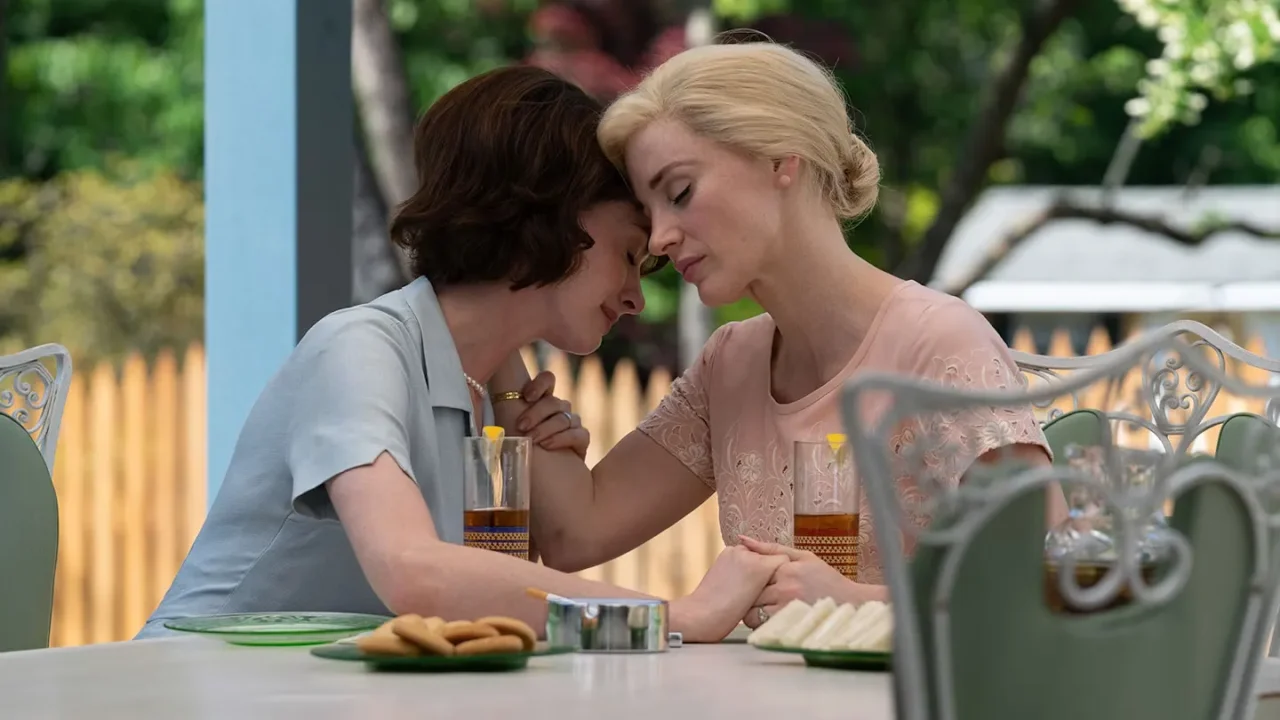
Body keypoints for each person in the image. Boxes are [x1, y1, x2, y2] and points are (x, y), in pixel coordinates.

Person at [136, 66, 785, 642]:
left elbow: (491, 608)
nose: (636, 298)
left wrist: (532, 455)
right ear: (548, 214)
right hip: (190, 689)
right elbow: (414, 573)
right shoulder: (358, 350)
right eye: (628, 254)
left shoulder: (491, 390)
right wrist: (677, 617)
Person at [495, 40, 1067, 630]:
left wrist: (856, 602)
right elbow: (577, 533)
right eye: (649, 212)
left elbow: (1054, 584)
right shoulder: (730, 363)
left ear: (780, 161)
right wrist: (499, 322)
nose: (660, 237)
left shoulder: (939, 342)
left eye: (680, 192)